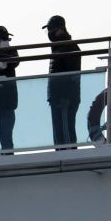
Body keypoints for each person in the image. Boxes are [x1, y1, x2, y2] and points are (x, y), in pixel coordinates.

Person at [44, 16, 82, 148]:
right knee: (59, 132)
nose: (49, 33)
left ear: (60, 29)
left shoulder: (69, 46)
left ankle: (70, 158)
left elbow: (73, 76)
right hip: (56, 97)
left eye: (51, 29)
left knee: (66, 133)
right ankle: (61, 155)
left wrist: (66, 96)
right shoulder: (59, 47)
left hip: (65, 98)